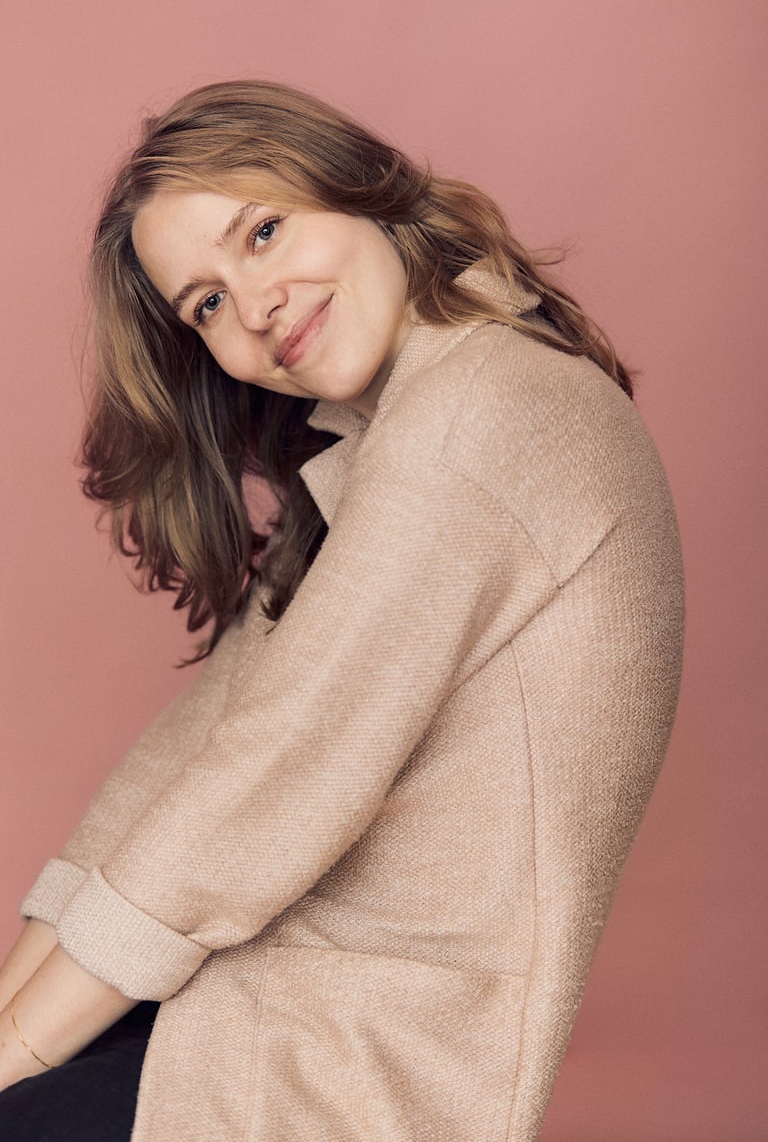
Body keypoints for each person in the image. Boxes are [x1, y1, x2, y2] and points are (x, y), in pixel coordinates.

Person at [0, 80, 684, 1141]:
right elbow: (180, 765)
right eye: (209, 304)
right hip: (253, 1006)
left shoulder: (479, 414)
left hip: (355, 1062)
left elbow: (258, 787)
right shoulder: (389, 445)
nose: (257, 303)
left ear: (358, 186)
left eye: (263, 232)